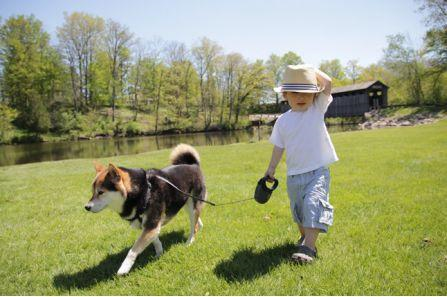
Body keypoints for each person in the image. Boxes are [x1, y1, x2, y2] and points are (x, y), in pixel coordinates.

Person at [265, 64, 338, 264]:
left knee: (313, 204)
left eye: (307, 92)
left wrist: (309, 70)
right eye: (295, 92)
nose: (301, 97)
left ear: (315, 95)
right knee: (299, 211)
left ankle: (308, 248)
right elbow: (278, 147)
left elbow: (328, 83)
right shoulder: (282, 122)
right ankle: (305, 238)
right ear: (285, 95)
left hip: (317, 172)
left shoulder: (317, 109)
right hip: (294, 175)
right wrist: (271, 169)